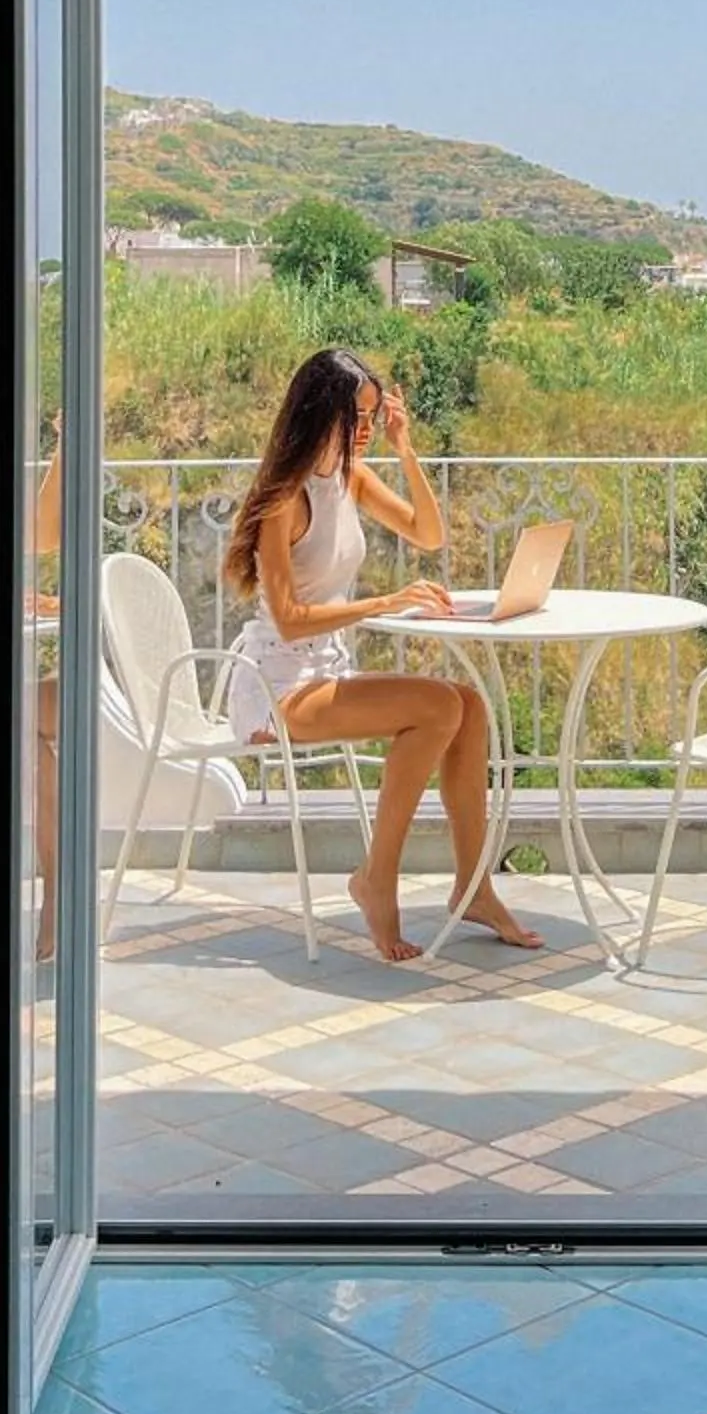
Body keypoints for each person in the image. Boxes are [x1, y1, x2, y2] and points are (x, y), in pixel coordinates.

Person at [225, 347, 542, 962]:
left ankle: (473, 888)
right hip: (278, 689)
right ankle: (377, 880)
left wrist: (405, 448)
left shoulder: (348, 477)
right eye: (359, 418)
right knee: (436, 710)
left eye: (374, 416)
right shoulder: (285, 499)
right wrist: (383, 603)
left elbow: (429, 534)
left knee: (468, 705)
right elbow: (288, 622)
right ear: (325, 415)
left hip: (328, 670)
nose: (367, 429)